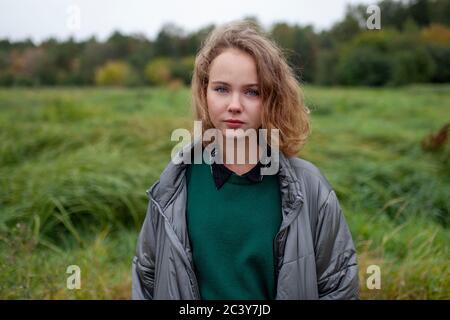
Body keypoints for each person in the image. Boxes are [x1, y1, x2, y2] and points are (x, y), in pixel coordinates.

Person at [132, 21, 359, 300]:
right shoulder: (174, 185)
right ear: (204, 92)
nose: (235, 105)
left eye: (252, 91)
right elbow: (146, 279)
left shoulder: (310, 188)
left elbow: (339, 286)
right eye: (221, 89)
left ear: (272, 98)